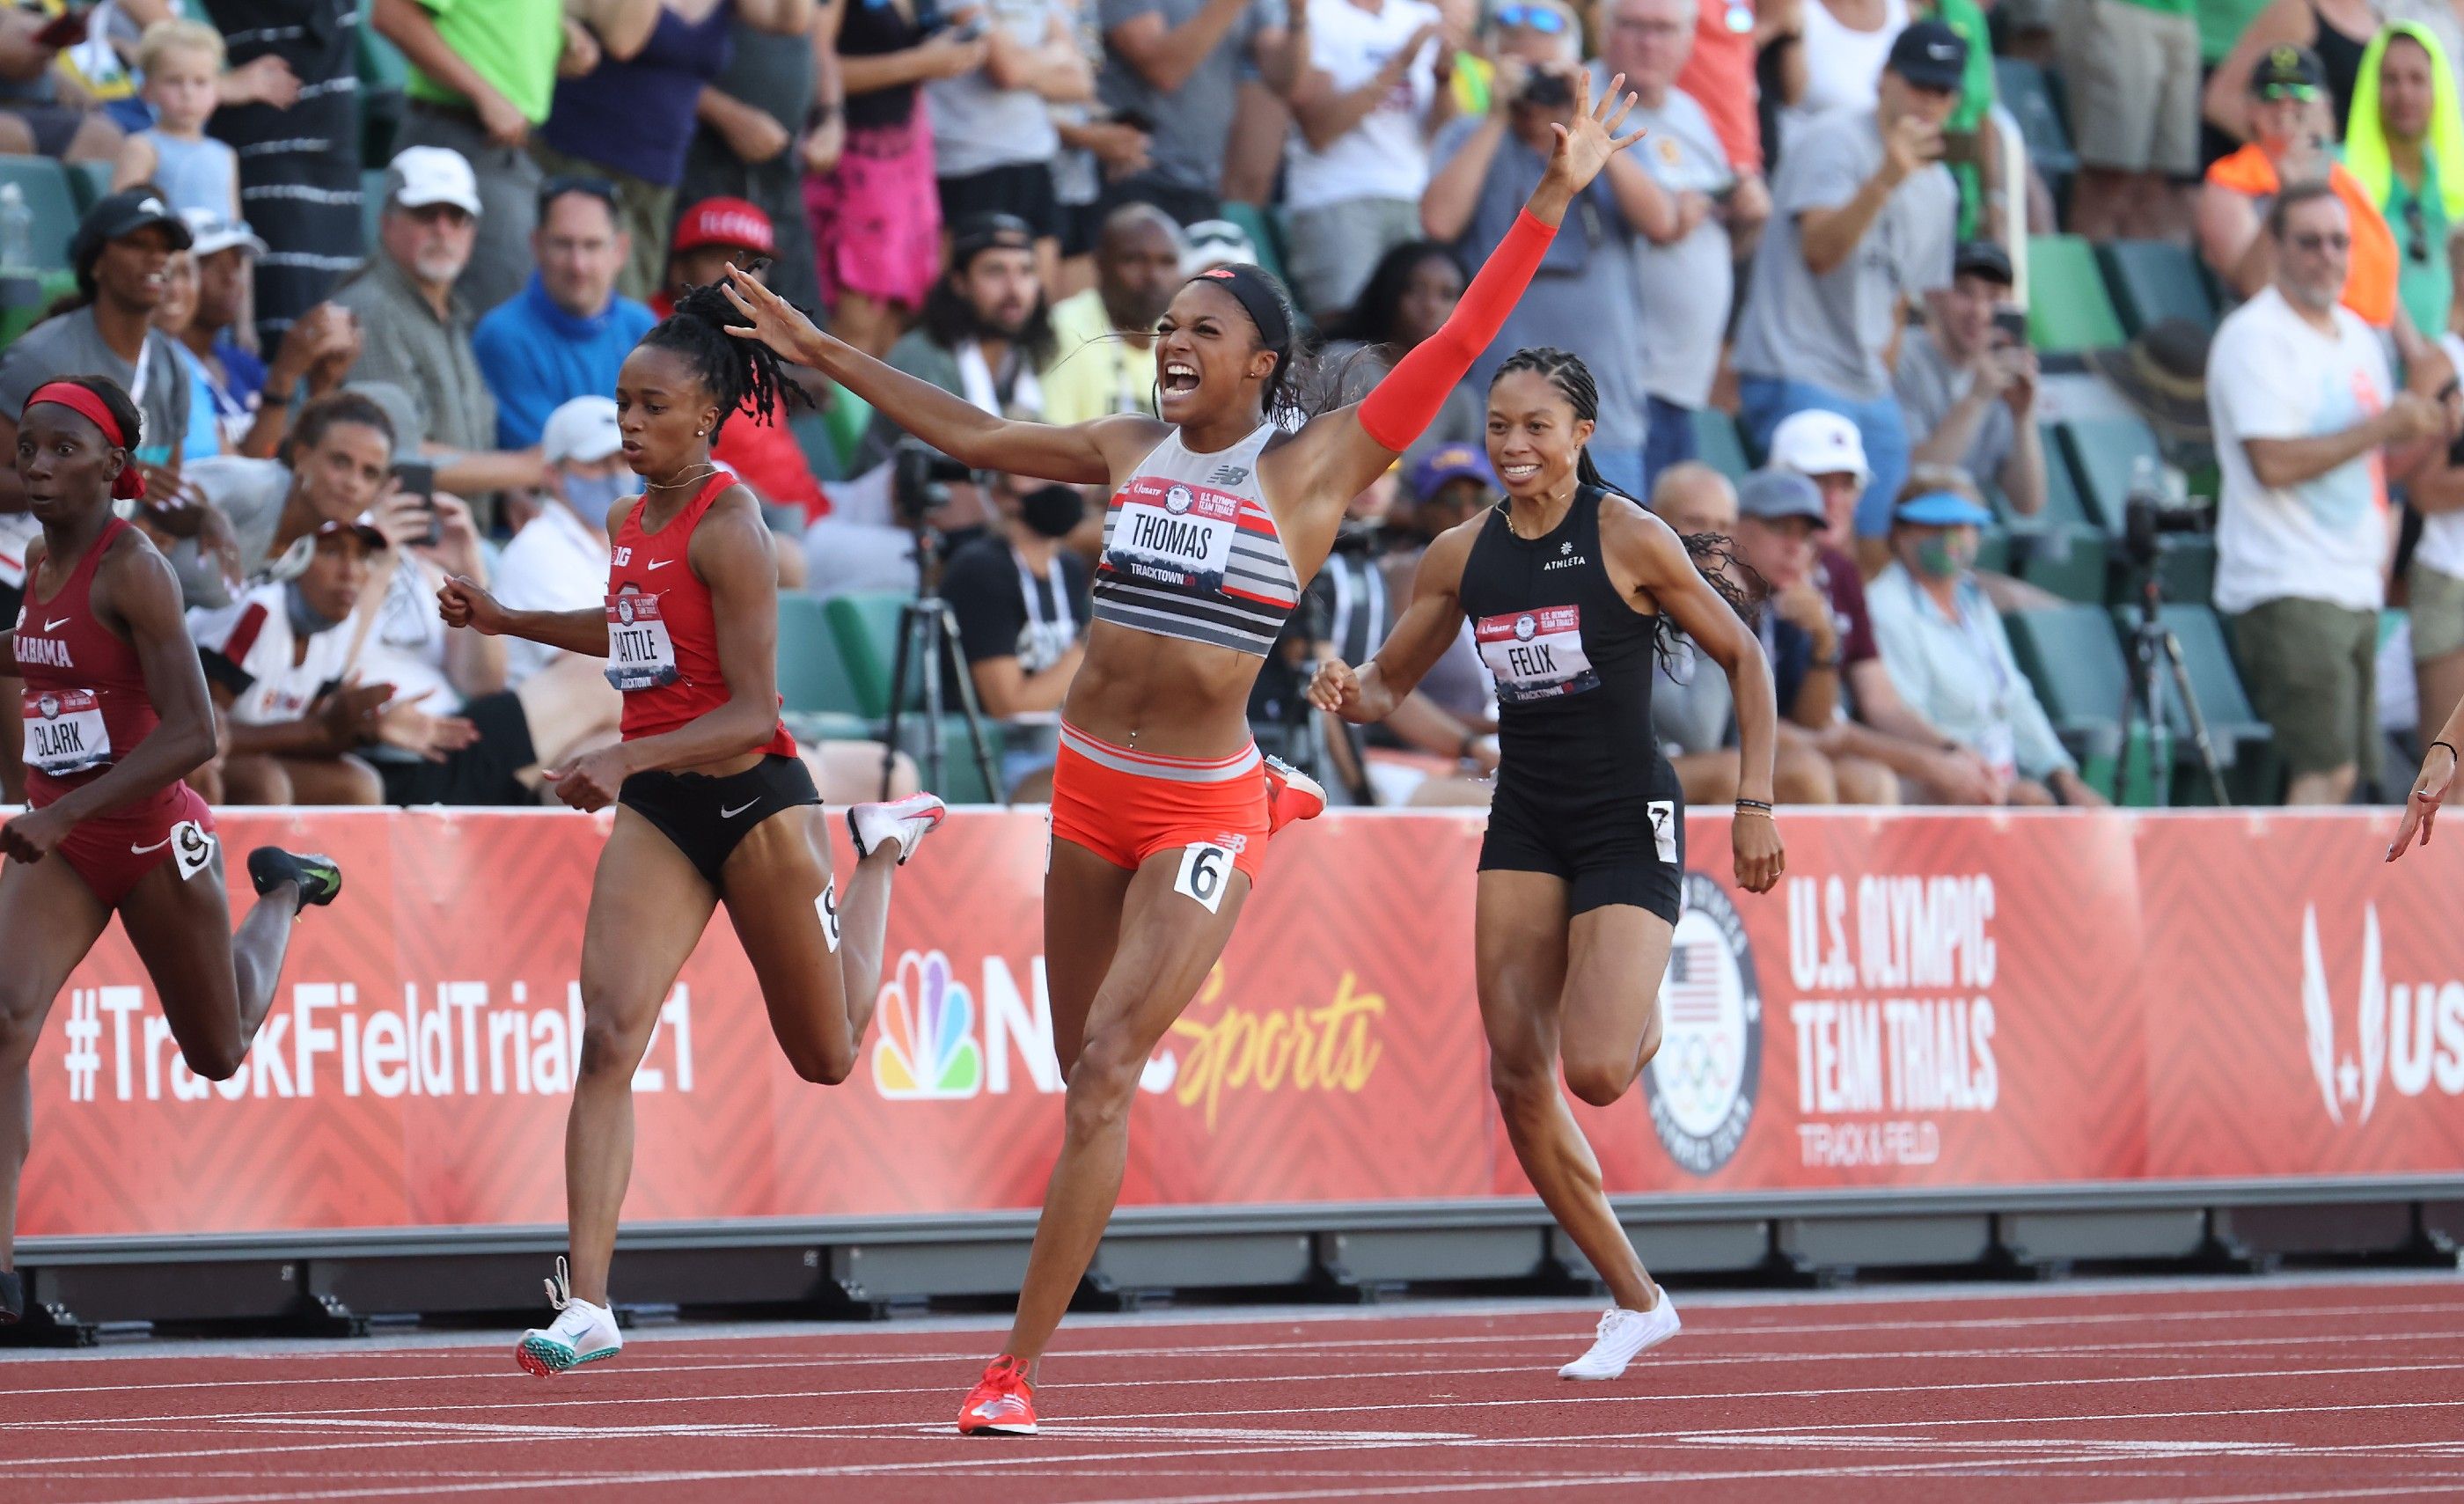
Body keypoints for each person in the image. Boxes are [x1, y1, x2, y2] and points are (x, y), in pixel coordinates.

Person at [715, 69, 1647, 1432]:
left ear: (1262, 361)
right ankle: (1039, 1312)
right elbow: (969, 430)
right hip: (1087, 790)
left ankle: (1010, 1371)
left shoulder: (1316, 467)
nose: (1173, 344)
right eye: (1164, 327)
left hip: (1195, 812)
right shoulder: (1125, 441)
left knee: (1105, 1071)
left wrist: (1553, 198)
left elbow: (1452, 348)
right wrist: (819, 349)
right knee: (1070, 1063)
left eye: (1202, 330)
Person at [434, 285, 947, 1375]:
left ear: (706, 418)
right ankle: (591, 1300)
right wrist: (510, 616)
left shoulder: (731, 527)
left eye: (650, 406)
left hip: (754, 798)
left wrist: (621, 755)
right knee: (609, 1034)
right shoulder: (627, 521)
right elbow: (632, 635)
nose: (627, 423)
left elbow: (755, 711)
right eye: (619, 402)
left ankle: (885, 844)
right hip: (664, 808)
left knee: (827, 1054)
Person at [1311, 345, 1783, 1379]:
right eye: (1497, 426)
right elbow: (1391, 686)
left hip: (1626, 812)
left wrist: (1753, 802)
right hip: (1523, 814)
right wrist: (1348, 686)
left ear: (1582, 436)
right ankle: (1635, 1298)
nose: (1513, 445)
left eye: (1536, 427)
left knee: (1598, 1069)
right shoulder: (1459, 553)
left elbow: (1745, 658)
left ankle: (1641, 978)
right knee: (1519, 1071)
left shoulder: (1628, 536)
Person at [0, 376, 340, 1325]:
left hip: (152, 836)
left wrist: (63, 816)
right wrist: (59, 821)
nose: (37, 465)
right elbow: (42, 653)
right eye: (28, 446)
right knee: (3, 1020)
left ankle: (283, 892)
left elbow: (195, 733)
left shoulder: (134, 567)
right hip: (62, 848)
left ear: (115, 467)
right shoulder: (37, 560)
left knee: (219, 1048)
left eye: (63, 449)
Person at [2208, 181, 2451, 804]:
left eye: (2340, 242)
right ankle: (2282, 903)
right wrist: (2382, 427)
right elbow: (2272, 464)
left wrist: (2428, 434)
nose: (2328, 255)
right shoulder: (2254, 336)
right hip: (2286, 581)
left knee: (2347, 777)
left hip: (2353, 585)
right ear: (2276, 245)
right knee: (2328, 770)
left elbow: (2375, 464)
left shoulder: (2359, 336)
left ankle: (2305, 900)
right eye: (2309, 241)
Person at [1422, 0, 1674, 496]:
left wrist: (1582, 126)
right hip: (1506, 416)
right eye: (1521, 69)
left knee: (1611, 564)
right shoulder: (1469, 135)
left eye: (1545, 69)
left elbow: (1661, 220)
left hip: (1605, 412)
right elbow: (1437, 221)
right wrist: (1496, 116)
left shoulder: (1607, 136)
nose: (1535, 83)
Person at [1733, 20, 1962, 543]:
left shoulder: (1941, 189)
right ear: (1884, 78)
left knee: (1882, 539)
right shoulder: (1833, 138)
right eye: (1917, 83)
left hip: (1866, 383)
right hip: (1795, 365)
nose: (1927, 100)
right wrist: (1885, 179)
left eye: (1941, 90)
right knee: (1814, 536)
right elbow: (1819, 253)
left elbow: (1901, 300)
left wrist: (1878, 374)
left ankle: (1847, 627)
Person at [1764, 410, 2007, 803]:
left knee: (1909, 782)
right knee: (1853, 780)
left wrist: (1951, 752)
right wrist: (1929, 762)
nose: (1834, 500)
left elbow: (1881, 703)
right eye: (1818, 482)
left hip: (1810, 743)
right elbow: (1802, 728)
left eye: (1847, 486)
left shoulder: (1840, 573)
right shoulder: (1758, 565)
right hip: (1760, 749)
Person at [1866, 482, 2110, 806]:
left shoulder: (1973, 600)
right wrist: (1989, 782)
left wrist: (2063, 777)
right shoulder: (1886, 606)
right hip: (1935, 781)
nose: (1950, 538)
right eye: (1935, 525)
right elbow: (1907, 719)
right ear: (1900, 532)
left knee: (2090, 813)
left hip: (1999, 774)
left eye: (1962, 526)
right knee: (2033, 806)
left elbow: (2014, 696)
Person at [333, 148, 542, 517]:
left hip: (453, 544)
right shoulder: (372, 309)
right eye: (425, 213)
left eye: (456, 216)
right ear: (387, 223)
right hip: (401, 548)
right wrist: (529, 467)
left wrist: (510, 490)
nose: (443, 229)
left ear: (472, 232)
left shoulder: (450, 309)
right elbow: (396, 453)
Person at [1595, 0, 1740, 495]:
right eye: (1633, 25)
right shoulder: (1588, 99)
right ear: (1605, 28)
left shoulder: (1690, 111)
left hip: (1682, 381)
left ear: (1688, 40)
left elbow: (1722, 218)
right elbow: (1659, 222)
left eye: (1663, 29)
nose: (1648, 41)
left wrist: (1746, 207)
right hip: (1623, 380)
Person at [807, 0, 991, 357]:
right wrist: (921, 63)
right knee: (856, 321)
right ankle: (847, 414)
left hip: (911, 158)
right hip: (855, 161)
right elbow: (815, 66)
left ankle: (880, 413)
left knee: (900, 314)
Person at [534, 0, 752, 303]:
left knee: (636, 304)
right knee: (599, 302)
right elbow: (625, 40)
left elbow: (790, 20)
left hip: (658, 175)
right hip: (588, 157)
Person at [375, 0, 569, 314]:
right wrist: (484, 95)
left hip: (509, 148)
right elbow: (392, 13)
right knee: (482, 311)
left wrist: (561, 34)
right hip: (460, 135)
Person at [187, 516, 395, 807]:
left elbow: (306, 739)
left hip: (257, 757)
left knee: (360, 785)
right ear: (296, 557)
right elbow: (202, 734)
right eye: (332, 552)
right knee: (266, 784)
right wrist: (318, 731)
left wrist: (368, 728)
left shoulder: (343, 624)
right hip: (193, 759)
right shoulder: (258, 610)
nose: (350, 572)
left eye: (362, 556)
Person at [2200, 45, 2402, 333]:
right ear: (2250, 109)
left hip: (2362, 340)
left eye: (2300, 93)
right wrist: (2288, 193)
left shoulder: (2346, 180)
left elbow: (2384, 283)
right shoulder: (2230, 180)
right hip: (2280, 337)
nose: (2285, 105)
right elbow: (2253, 288)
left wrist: (2417, 355)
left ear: (2326, 108)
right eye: (2270, 95)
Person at [654, 199, 829, 521]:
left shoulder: (748, 332)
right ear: (679, 269)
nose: (740, 276)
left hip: (816, 504)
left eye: (753, 264)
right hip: (765, 525)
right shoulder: (656, 339)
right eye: (720, 260)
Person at [198, 0, 354, 350]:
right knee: (291, 338)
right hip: (270, 154)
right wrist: (214, 84)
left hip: (335, 153)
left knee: (338, 338)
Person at [1281, 0, 1450, 319]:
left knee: (1409, 337)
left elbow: (1441, 132)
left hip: (1409, 199)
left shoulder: (1421, 18)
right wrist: (1399, 63)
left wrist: (1443, 77)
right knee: (1347, 338)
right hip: (1335, 198)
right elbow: (1319, 129)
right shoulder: (1316, 12)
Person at [165, 392, 401, 611]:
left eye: (369, 474)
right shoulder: (256, 486)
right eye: (340, 462)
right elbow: (150, 498)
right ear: (302, 456)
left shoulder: (299, 554)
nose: (353, 483)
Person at [472, 179, 658, 451]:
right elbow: (561, 461)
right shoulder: (502, 336)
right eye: (563, 244)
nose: (578, 266)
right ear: (536, 245)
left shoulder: (642, 327)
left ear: (620, 251)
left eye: (592, 245)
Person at [941, 472, 1092, 797]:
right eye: (1040, 473)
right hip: (1000, 755)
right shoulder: (980, 569)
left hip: (1060, 746)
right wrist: (1092, 639)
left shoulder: (1067, 567)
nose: (1064, 484)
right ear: (1001, 494)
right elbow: (1009, 707)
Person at [928, 0, 1093, 287]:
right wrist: (1052, 56)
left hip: (1036, 163)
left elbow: (1080, 83)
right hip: (972, 166)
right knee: (970, 304)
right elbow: (1007, 72)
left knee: (1037, 306)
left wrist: (1022, 64)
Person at [1096, 0, 1302, 231]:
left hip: (1203, 182)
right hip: (1135, 173)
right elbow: (1164, 71)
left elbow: (1283, 80)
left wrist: (1298, 16)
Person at [1894, 241, 2046, 520]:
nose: (1979, 310)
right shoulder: (1903, 360)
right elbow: (1910, 485)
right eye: (1964, 292)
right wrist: (1976, 399)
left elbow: (2027, 503)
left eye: (1993, 296)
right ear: (1935, 295)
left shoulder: (2004, 370)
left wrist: (2023, 416)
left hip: (1963, 540)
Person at [2345, 23, 2464, 343]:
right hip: (2367, 352)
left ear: (2437, 88)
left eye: (2417, 79)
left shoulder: (2454, 178)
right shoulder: (2341, 175)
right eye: (2390, 79)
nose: (2404, 94)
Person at [1317, 239, 1480, 461]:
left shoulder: (1461, 401)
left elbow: (1464, 485)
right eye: (1415, 290)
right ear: (1389, 292)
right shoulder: (1345, 361)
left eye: (1447, 295)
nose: (1430, 306)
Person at [2054, 0, 2201, 241]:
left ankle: (2141, 277)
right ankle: (2088, 274)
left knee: (2159, 187)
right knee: (2109, 178)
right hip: (2121, 8)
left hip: (2183, 13)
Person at [1042, 203, 1184, 427]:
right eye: (1134, 260)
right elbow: (1050, 441)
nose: (1153, 276)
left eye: (1167, 262)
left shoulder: (1182, 342)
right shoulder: (1063, 328)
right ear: (1100, 264)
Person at [112, 20, 243, 224]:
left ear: (217, 89)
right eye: (174, 81)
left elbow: (233, 224)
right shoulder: (142, 148)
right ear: (147, 89)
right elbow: (123, 220)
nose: (188, 93)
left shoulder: (225, 155)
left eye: (201, 82)